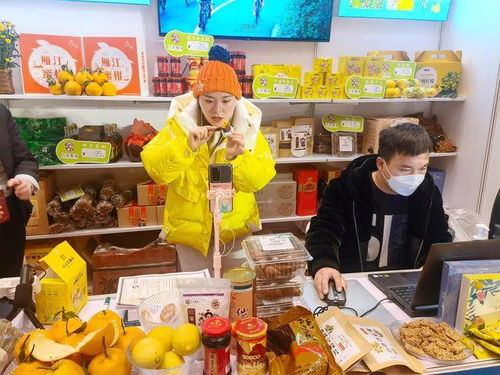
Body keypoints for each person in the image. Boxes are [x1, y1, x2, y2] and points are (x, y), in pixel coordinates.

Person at [142, 45, 276, 273]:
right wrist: (186, 148)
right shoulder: (178, 128)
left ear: (237, 99)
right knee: (197, 294)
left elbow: (257, 181)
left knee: (237, 290)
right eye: (208, 100)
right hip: (190, 233)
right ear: (197, 99)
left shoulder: (249, 131)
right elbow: (156, 171)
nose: (217, 110)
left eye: (226, 101)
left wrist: (237, 158)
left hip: (235, 230)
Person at [306, 123, 452, 298]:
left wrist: (429, 269)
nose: (416, 177)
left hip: (405, 285)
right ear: (381, 164)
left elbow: (439, 239)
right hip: (353, 282)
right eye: (405, 169)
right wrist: (324, 263)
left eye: (422, 168)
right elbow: (324, 230)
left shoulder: (427, 194)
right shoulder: (348, 188)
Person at [0, 104, 39, 278]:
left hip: (9, 218)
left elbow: (24, 158)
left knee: (10, 283)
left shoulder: (1, 112)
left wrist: (25, 181)